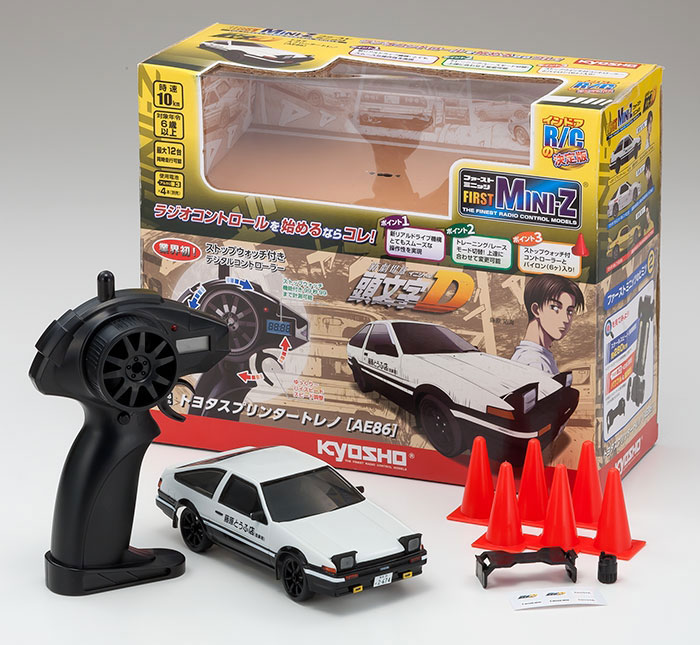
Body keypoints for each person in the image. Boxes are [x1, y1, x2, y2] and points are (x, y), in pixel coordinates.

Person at [511, 274, 584, 375]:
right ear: (536, 310)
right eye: (555, 308)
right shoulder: (534, 362)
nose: (566, 319)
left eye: (569, 311)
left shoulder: (538, 355)